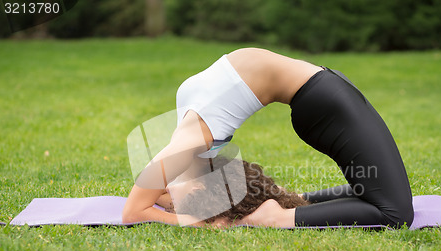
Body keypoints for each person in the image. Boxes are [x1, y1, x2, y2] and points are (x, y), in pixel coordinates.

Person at [122, 48, 414, 228]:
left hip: (323, 92)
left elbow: (144, 203)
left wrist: (185, 212)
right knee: (396, 213)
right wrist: (196, 224)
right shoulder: (192, 146)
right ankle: (273, 217)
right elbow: (134, 212)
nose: (172, 198)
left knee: (378, 194)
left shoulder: (188, 149)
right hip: (324, 101)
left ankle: (293, 202)